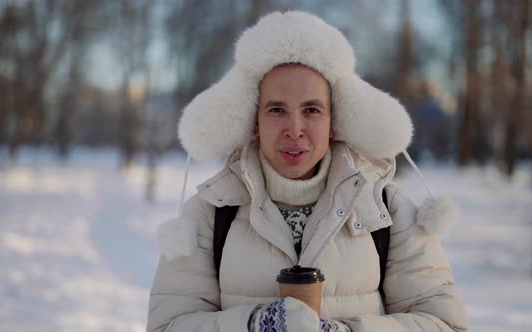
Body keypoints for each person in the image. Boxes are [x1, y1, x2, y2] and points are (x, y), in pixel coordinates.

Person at [147, 11, 468, 332]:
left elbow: (445, 324)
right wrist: (254, 325)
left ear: (334, 122)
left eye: (311, 110)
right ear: (254, 121)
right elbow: (167, 326)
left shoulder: (387, 211)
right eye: (276, 110)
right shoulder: (209, 214)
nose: (294, 129)